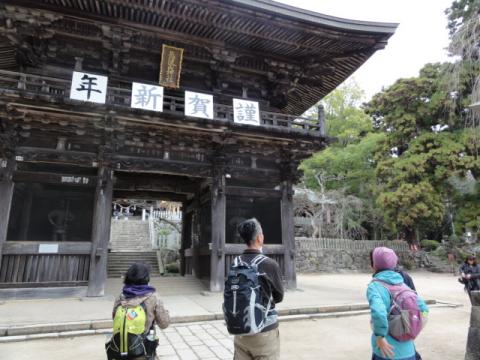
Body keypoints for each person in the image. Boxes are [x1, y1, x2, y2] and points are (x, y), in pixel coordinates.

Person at [233, 218, 284, 360]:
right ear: (259, 237)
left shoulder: (236, 263)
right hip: (264, 331)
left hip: (240, 330)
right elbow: (279, 296)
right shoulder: (270, 264)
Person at [367, 247, 429, 360]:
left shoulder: (375, 286)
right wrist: (414, 328)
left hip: (385, 352)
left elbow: (379, 312)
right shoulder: (402, 285)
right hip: (408, 351)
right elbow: (424, 310)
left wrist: (380, 337)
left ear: (374, 265)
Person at [107, 263, 170, 360]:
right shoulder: (153, 297)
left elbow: (114, 317)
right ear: (146, 278)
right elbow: (164, 324)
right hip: (143, 349)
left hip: (120, 347)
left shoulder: (121, 296)